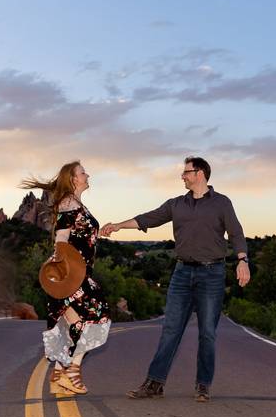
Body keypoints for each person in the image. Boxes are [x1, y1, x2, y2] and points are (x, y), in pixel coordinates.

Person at [101, 156, 250, 402]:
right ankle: (154, 384)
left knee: (207, 333)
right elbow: (147, 218)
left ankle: (203, 385)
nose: (182, 176)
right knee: (170, 330)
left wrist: (243, 261)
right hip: (182, 273)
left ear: (200, 173)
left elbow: (236, 233)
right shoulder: (176, 204)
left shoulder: (222, 203)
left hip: (212, 274)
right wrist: (117, 226)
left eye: (186, 172)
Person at [20, 161, 110, 395]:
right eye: (82, 172)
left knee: (71, 325)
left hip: (79, 273)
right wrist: (63, 270)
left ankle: (58, 376)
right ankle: (72, 371)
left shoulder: (76, 203)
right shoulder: (69, 202)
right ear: (73, 179)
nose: (87, 174)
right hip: (72, 275)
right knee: (95, 317)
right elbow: (61, 237)